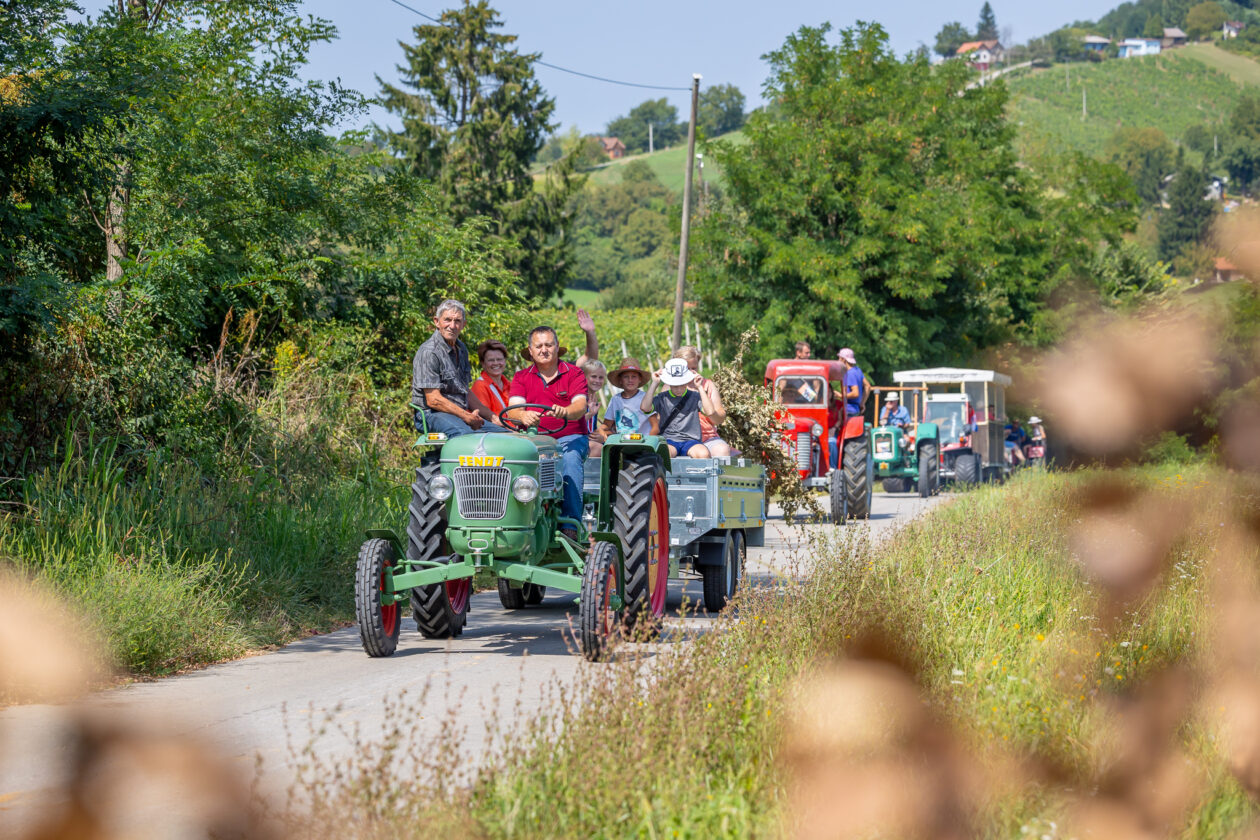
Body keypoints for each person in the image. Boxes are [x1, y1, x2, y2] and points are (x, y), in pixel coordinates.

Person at [509, 326, 589, 537]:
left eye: (548, 345)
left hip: (568, 437)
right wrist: (522, 416)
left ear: (556, 347)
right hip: (533, 439)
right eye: (539, 346)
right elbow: (513, 410)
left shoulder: (574, 373)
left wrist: (566, 411)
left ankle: (570, 525)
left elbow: (580, 406)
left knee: (570, 459)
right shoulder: (521, 377)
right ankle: (511, 522)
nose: (544, 350)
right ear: (531, 350)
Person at [411, 299, 506, 437]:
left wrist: (493, 417)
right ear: (437, 322)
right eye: (447, 320)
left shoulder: (461, 349)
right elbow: (433, 400)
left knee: (506, 434)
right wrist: (466, 416)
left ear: (463, 325)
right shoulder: (429, 352)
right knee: (466, 437)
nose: (452, 325)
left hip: (457, 413)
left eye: (457, 321)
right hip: (431, 414)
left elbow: (465, 391)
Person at [641, 358, 717, 458]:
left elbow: (710, 411)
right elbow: (645, 408)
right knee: (663, 454)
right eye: (675, 385)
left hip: (691, 440)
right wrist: (654, 383)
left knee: (703, 454)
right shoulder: (662, 397)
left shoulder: (695, 396)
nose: (679, 389)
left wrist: (700, 387)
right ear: (669, 383)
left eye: (682, 384)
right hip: (669, 440)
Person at [677, 345, 732, 457]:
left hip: (707, 438)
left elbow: (720, 418)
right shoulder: (671, 386)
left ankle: (715, 475)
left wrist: (710, 412)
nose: (691, 372)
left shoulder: (707, 385)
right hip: (679, 438)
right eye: (686, 368)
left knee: (723, 450)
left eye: (694, 368)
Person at [603, 358, 658, 436]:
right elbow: (606, 425)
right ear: (620, 380)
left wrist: (647, 442)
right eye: (626, 377)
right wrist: (601, 430)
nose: (630, 380)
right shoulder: (615, 400)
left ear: (640, 379)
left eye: (634, 377)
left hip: (642, 442)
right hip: (621, 442)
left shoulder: (645, 398)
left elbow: (655, 427)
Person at [469, 339, 512, 424]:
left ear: (505, 361)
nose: (496, 363)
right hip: (496, 435)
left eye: (499, 359)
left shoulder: (510, 385)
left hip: (514, 433)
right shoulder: (480, 386)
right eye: (491, 360)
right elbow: (485, 420)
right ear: (483, 363)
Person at [582, 360, 608, 457]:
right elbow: (572, 425)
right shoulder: (579, 399)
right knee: (599, 449)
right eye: (593, 376)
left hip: (589, 441)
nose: (597, 381)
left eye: (601, 378)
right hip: (577, 441)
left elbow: (591, 429)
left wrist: (601, 437)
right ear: (584, 377)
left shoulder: (594, 400)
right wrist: (589, 415)